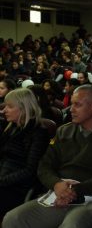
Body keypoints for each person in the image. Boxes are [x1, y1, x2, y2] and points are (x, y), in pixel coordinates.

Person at [3, 84, 92, 228]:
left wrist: (74, 191)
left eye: (77, 105)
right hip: (59, 194)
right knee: (14, 218)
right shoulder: (64, 131)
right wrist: (56, 184)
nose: (71, 109)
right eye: (72, 104)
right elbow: (44, 165)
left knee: (72, 225)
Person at [0, 88, 50, 217]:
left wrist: (2, 181)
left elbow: (30, 171)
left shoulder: (38, 133)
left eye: (9, 107)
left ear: (24, 108)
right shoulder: (12, 128)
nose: (4, 110)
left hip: (16, 187)